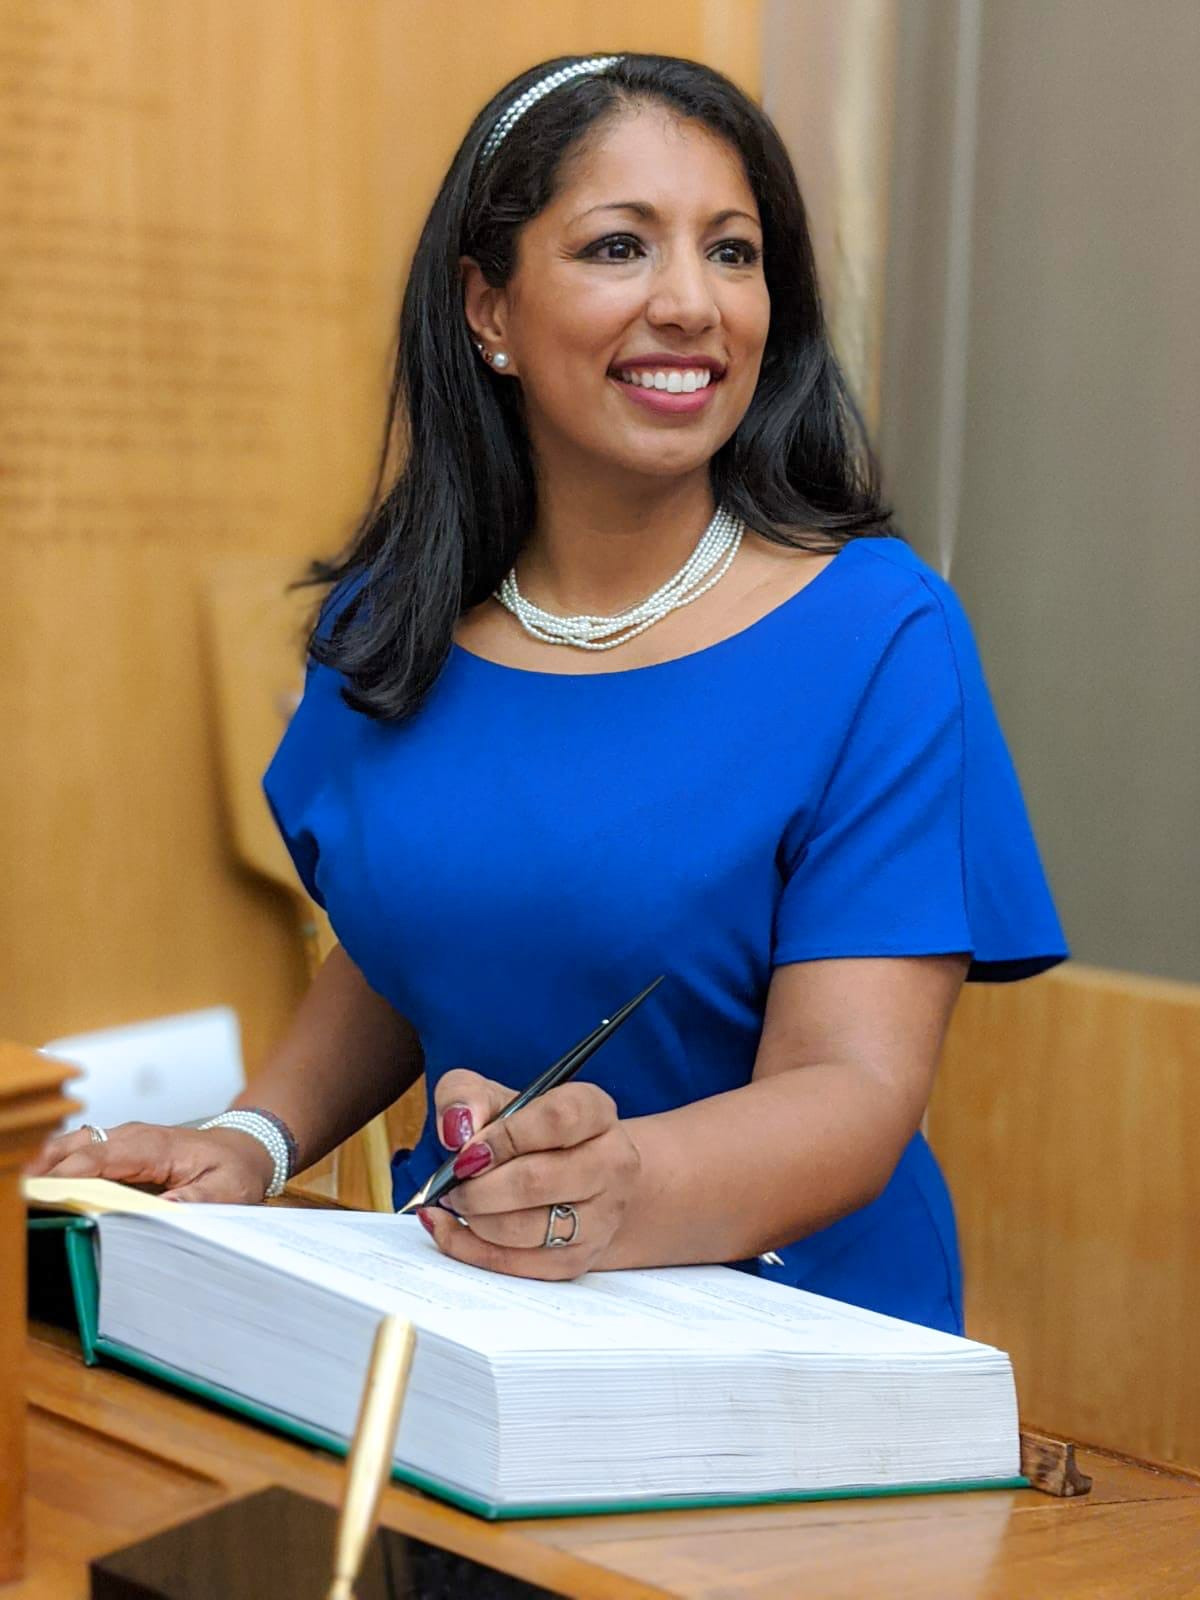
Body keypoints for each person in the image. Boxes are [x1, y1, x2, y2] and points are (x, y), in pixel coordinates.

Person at [30, 53, 1067, 1334]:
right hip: (466, 1322)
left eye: (733, 252)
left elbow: (851, 1087)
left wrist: (622, 1185)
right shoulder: (390, 623)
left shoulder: (876, 633)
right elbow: (415, 929)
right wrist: (255, 1136)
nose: (693, 302)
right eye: (621, 247)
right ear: (489, 312)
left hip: (794, 1349)